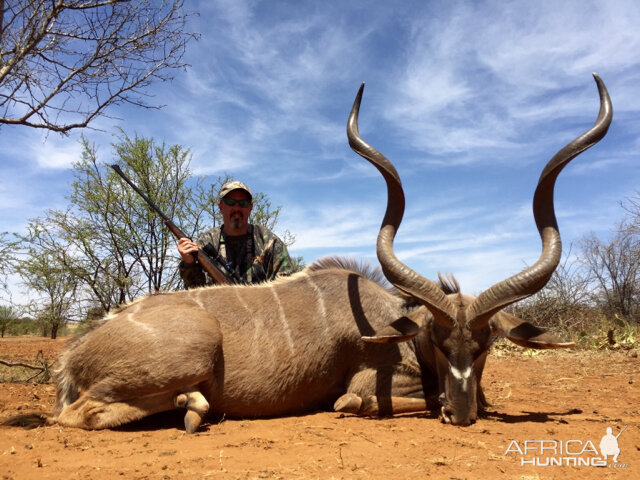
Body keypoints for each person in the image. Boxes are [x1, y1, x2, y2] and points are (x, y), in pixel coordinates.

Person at [178, 180, 293, 287]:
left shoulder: (269, 241)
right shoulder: (207, 242)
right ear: (220, 207)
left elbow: (286, 289)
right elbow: (195, 291)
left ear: (250, 208)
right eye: (230, 202)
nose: (237, 208)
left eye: (243, 203)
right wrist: (189, 264)